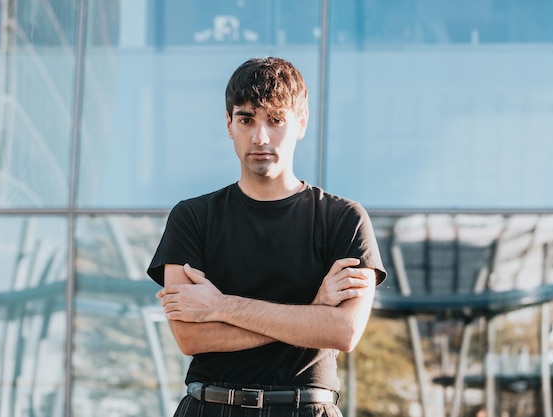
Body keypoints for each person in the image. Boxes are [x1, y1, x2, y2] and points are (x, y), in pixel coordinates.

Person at [147, 56, 387, 417]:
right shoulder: (193, 217)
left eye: (276, 120)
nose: (260, 137)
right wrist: (313, 313)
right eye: (246, 119)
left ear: (301, 122)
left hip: (306, 409)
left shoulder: (344, 219)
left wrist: (220, 307)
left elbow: (344, 332)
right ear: (229, 124)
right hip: (212, 407)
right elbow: (190, 337)